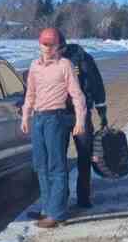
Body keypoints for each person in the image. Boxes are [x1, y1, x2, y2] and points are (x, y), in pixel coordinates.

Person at [21, 27, 87, 228]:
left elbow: (77, 95)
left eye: (52, 44)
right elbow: (30, 93)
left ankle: (57, 213)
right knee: (40, 165)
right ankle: (46, 208)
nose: (48, 48)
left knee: (56, 167)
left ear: (59, 46)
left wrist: (80, 121)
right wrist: (26, 116)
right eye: (44, 44)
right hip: (39, 118)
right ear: (39, 44)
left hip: (56, 119)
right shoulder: (34, 66)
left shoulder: (65, 65)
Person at [57, 29, 108, 208]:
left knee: (84, 156)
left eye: (56, 47)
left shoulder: (83, 59)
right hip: (59, 114)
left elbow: (96, 84)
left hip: (82, 114)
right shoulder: (49, 61)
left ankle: (84, 197)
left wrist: (102, 111)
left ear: (62, 46)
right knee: (59, 158)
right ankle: (61, 198)